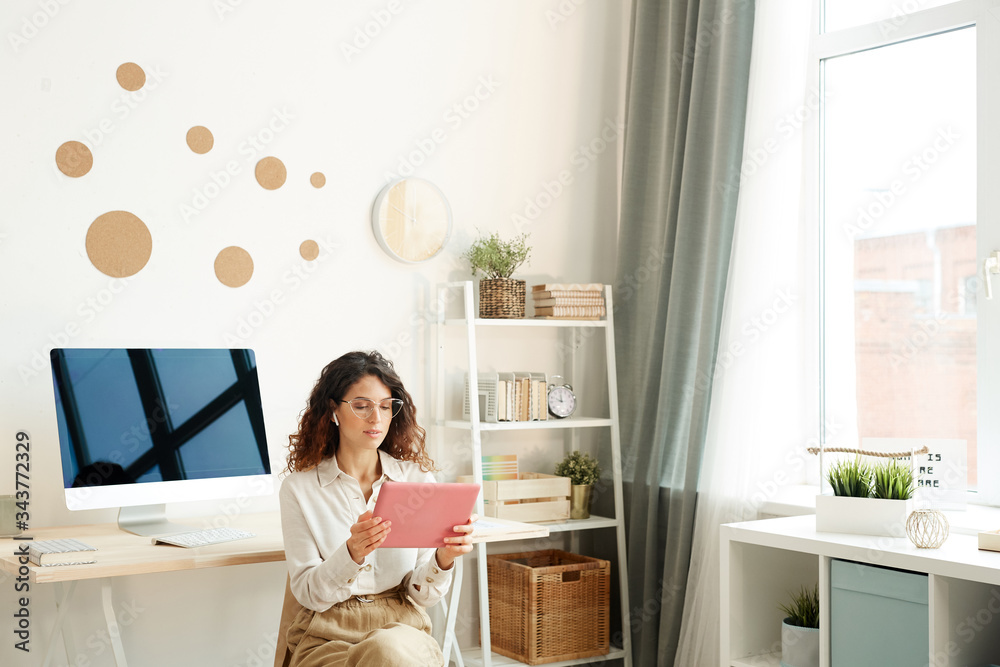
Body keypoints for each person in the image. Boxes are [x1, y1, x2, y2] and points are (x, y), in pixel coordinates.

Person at [279, 350, 474, 667]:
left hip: (403, 630)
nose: (377, 418)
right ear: (333, 411)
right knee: (383, 653)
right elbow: (308, 593)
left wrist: (444, 558)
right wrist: (351, 553)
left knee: (387, 649)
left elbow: (423, 595)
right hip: (329, 635)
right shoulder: (300, 490)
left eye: (386, 407)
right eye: (361, 406)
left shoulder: (417, 481)